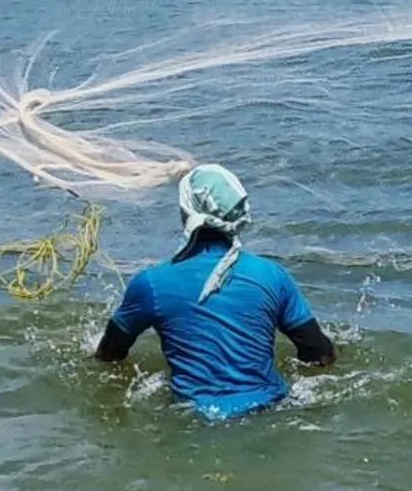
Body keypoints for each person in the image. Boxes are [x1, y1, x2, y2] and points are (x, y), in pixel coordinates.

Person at [95, 163, 336, 420]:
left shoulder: (151, 283)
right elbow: (319, 353)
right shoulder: (272, 276)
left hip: (194, 418)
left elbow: (109, 355)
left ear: (186, 213)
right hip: (273, 410)